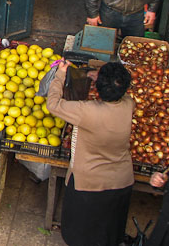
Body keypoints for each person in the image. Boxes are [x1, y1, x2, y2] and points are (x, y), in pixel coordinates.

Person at [46, 61, 134, 246]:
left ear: (99, 88)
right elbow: (117, 92)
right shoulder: (128, 104)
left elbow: (53, 104)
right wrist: (100, 79)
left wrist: (60, 74)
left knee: (83, 234)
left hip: (89, 184)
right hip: (121, 180)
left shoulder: (86, 111)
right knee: (108, 230)